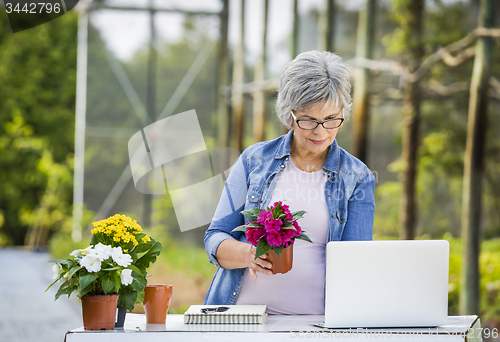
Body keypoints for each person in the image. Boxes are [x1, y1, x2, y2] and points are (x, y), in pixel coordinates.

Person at [203, 51, 376, 314]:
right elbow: (215, 238)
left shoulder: (358, 177)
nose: (320, 131)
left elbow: (356, 264)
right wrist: (249, 254)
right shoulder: (253, 161)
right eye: (308, 119)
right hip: (241, 320)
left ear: (343, 113)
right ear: (289, 115)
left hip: (315, 327)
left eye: (331, 119)